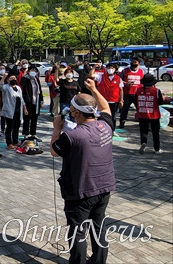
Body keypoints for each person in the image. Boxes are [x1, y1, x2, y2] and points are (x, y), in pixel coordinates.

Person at [50, 77, 116, 264]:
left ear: (75, 113)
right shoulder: (105, 126)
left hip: (81, 191)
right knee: (98, 228)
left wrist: (57, 129)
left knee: (77, 231)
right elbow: (106, 109)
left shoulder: (73, 136)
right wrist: (94, 89)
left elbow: (54, 151)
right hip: (104, 187)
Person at [135, 74, 167, 154]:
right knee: (155, 133)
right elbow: (160, 102)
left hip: (142, 114)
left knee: (143, 131)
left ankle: (143, 142)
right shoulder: (156, 91)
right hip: (154, 115)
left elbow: (135, 101)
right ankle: (157, 149)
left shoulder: (138, 90)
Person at [0, 73, 26, 149]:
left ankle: (15, 141)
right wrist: (3, 77)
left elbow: (21, 99)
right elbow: (0, 86)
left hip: (18, 109)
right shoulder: (6, 87)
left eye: (14, 78)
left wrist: (24, 108)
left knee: (17, 126)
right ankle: (9, 142)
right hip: (9, 110)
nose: (13, 80)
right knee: (9, 127)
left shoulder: (18, 88)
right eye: (11, 79)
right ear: (8, 80)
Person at [118, 57, 144, 128]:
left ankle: (142, 123)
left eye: (135, 62)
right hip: (127, 93)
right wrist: (126, 83)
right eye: (132, 62)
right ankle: (122, 123)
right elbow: (118, 80)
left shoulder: (141, 71)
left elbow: (143, 82)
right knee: (124, 109)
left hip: (137, 94)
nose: (133, 63)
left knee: (140, 109)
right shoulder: (125, 71)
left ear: (138, 63)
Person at [20, 66, 43, 141]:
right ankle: (26, 134)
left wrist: (41, 101)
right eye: (31, 70)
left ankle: (33, 133)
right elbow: (22, 84)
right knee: (27, 118)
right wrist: (25, 73)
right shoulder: (25, 79)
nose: (33, 72)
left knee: (34, 118)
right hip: (28, 101)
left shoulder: (36, 80)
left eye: (35, 70)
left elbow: (40, 90)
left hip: (36, 101)